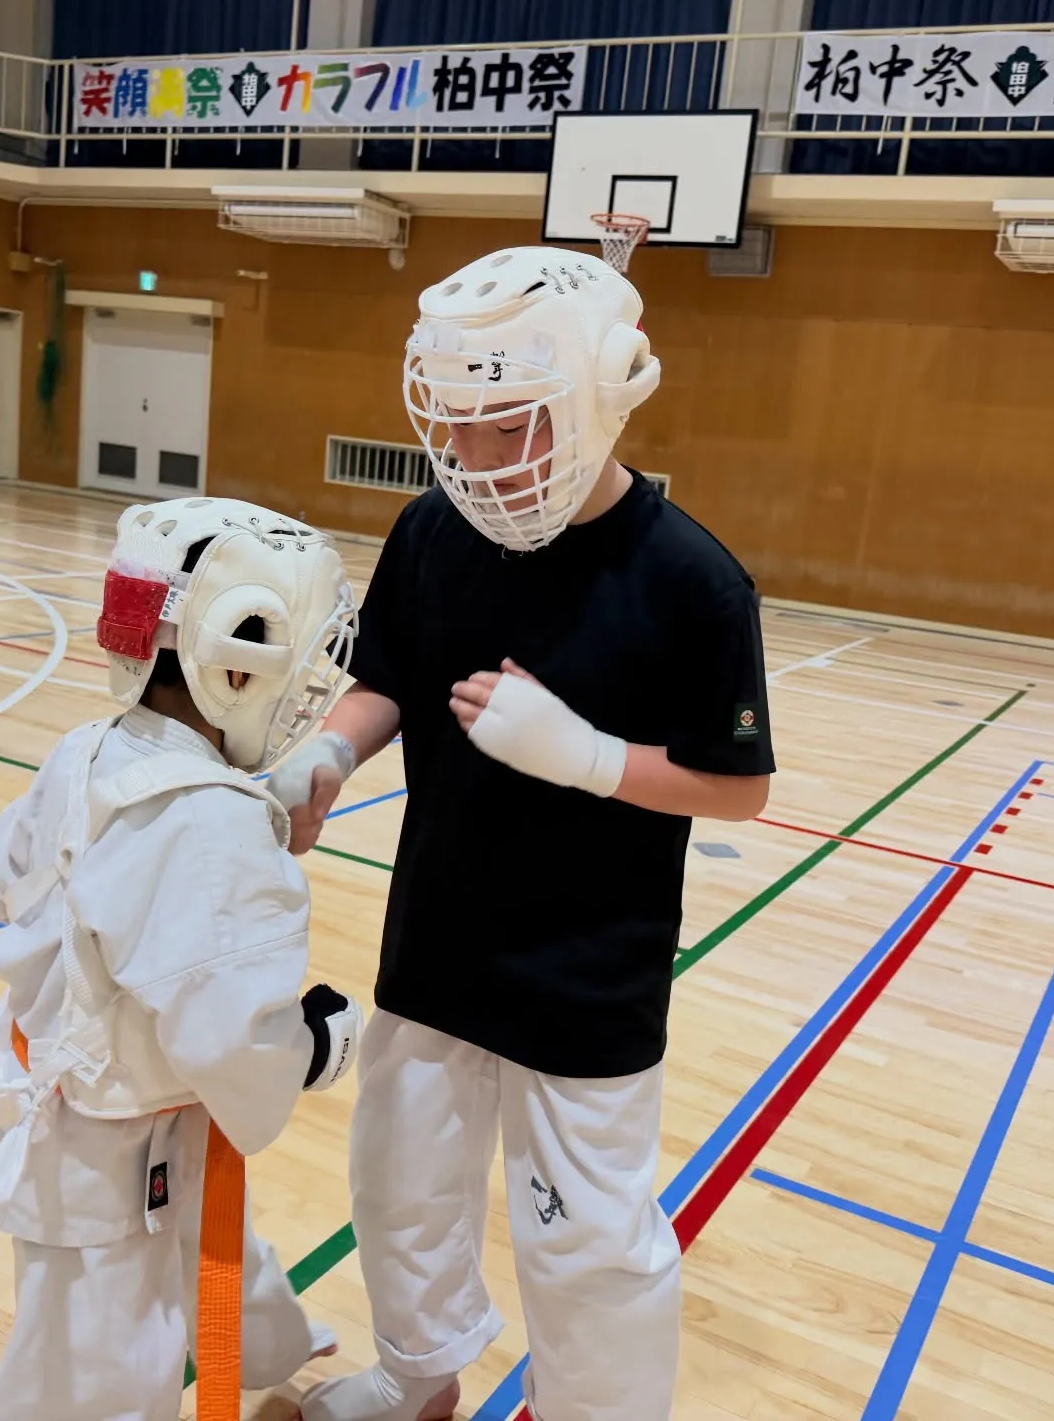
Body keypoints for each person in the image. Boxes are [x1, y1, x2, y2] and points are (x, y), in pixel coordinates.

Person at [269, 247, 776, 1421]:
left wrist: (592, 759)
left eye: (516, 428)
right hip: (437, 942)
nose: (483, 461)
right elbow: (384, 673)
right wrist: (329, 754)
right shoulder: (431, 530)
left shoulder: (693, 581)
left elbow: (736, 788)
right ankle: (415, 1378)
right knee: (402, 1193)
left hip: (587, 978)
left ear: (597, 404)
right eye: (461, 429)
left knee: (587, 1244)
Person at [0, 496, 363, 1421]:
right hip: (99, 1153)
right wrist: (315, 1043)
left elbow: (6, 872)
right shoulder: (210, 824)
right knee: (96, 1369)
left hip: (65, 1091)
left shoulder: (88, 748)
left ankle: (269, 1346)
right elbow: (232, 1040)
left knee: (207, 1225)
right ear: (238, 660)